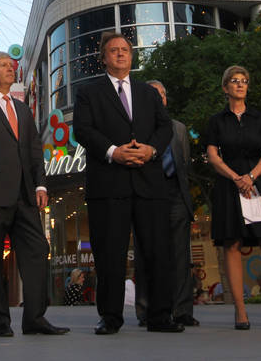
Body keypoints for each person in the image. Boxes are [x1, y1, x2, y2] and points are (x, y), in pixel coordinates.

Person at [72, 32, 179, 335]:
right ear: (103, 58)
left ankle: (160, 316)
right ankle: (110, 317)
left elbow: (164, 126)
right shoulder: (88, 93)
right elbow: (83, 129)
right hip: (108, 184)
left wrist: (151, 149)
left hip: (149, 182)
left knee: (157, 252)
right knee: (109, 255)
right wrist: (113, 152)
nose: (120, 54)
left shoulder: (147, 92)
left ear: (132, 57)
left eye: (125, 50)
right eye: (113, 50)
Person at [0, 50, 69, 337]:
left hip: (25, 197)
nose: (11, 69)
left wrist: (41, 184)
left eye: (13, 66)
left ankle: (34, 318)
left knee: (37, 252)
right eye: (5, 66)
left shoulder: (22, 110)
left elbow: (34, 151)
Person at [206, 65, 261, 330]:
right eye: (235, 81)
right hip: (229, 184)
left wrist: (251, 177)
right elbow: (213, 155)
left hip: (260, 184)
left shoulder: (259, 118)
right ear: (225, 87)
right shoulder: (216, 121)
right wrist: (236, 178)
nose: (240, 84)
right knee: (231, 244)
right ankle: (240, 312)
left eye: (244, 80)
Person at [135, 80, 198, 328]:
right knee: (145, 255)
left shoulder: (179, 129)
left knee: (181, 256)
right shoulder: (138, 128)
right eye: (153, 94)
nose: (158, 98)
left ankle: (182, 310)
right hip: (147, 196)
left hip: (175, 195)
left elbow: (185, 165)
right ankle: (146, 311)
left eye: (162, 94)